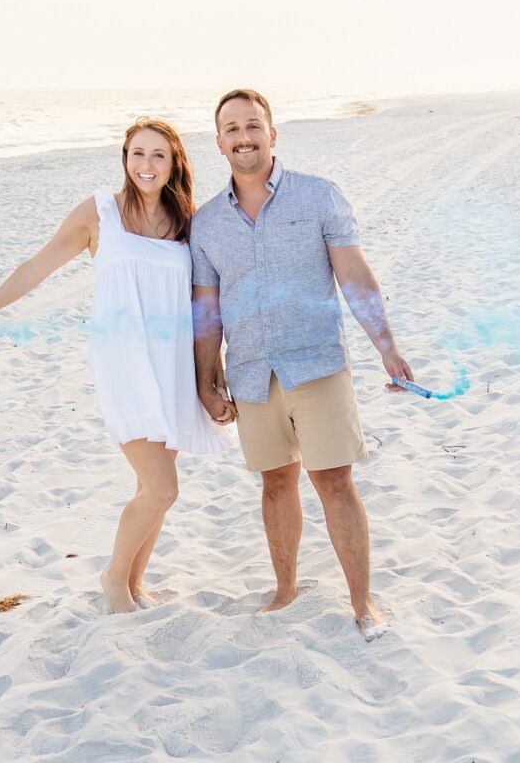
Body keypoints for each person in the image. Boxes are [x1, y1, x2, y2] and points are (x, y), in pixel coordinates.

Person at [0, 117, 235, 614]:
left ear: (174, 162)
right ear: (124, 159)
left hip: (173, 361)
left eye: (158, 155)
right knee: (162, 488)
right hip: (123, 360)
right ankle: (114, 578)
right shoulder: (100, 213)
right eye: (137, 154)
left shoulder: (189, 219)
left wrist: (212, 371)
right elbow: (36, 267)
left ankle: (136, 583)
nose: (146, 165)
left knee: (152, 487)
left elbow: (207, 301)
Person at [190, 89, 413, 640]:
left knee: (335, 481)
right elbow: (206, 309)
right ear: (219, 142)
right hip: (250, 372)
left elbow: (355, 276)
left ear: (272, 132)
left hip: (316, 363)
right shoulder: (208, 223)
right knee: (275, 483)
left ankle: (363, 604)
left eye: (253, 125)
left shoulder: (318, 197)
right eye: (233, 128)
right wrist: (207, 378)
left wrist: (386, 346)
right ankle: (285, 588)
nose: (244, 136)